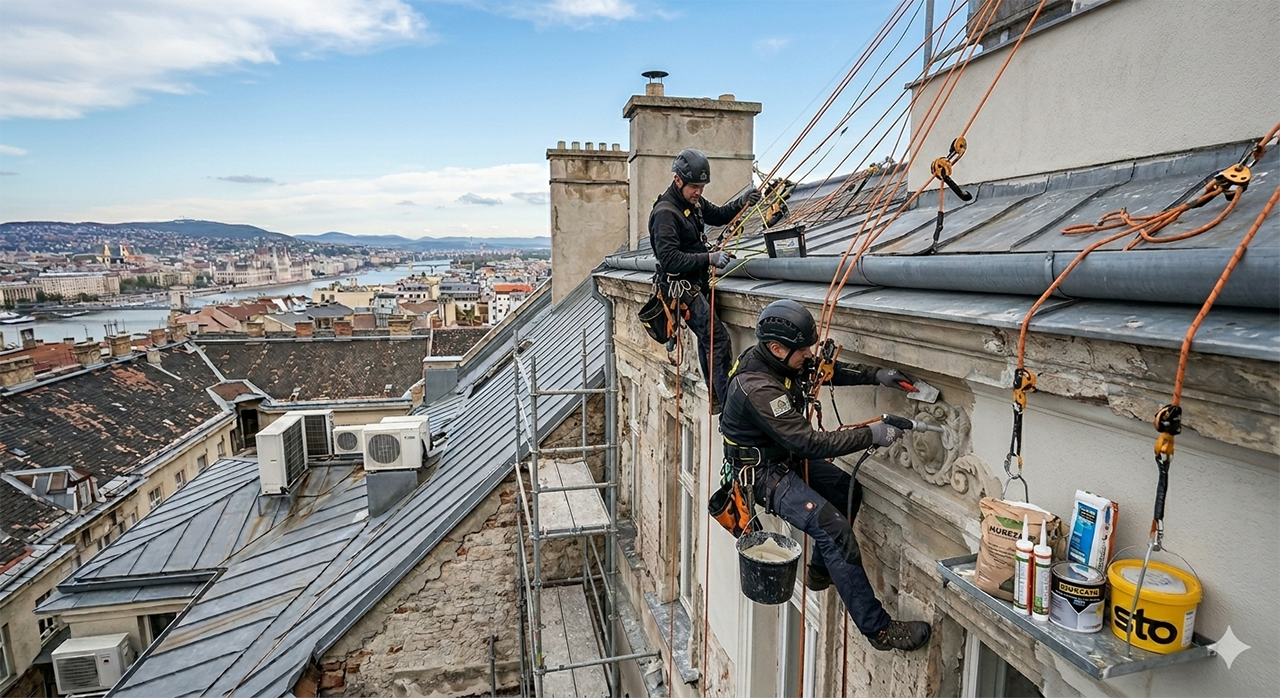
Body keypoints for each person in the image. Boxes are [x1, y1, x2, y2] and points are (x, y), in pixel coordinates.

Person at [720, 299, 932, 652]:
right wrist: (872, 434)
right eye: (802, 349)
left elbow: (819, 370)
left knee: (845, 489)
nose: (808, 354)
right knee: (834, 530)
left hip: (779, 456)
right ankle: (878, 630)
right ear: (777, 348)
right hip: (762, 472)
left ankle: (821, 570)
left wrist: (876, 376)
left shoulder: (777, 359)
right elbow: (809, 443)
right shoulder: (759, 388)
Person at [649, 148, 761, 412]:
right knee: (717, 338)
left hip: (694, 283)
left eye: (701, 186)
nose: (698, 192)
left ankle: (716, 395)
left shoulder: (693, 203)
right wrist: (709, 259)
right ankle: (725, 400)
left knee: (708, 338)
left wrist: (743, 201)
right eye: (694, 187)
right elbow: (670, 260)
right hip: (679, 287)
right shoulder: (666, 213)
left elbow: (719, 215)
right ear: (678, 181)